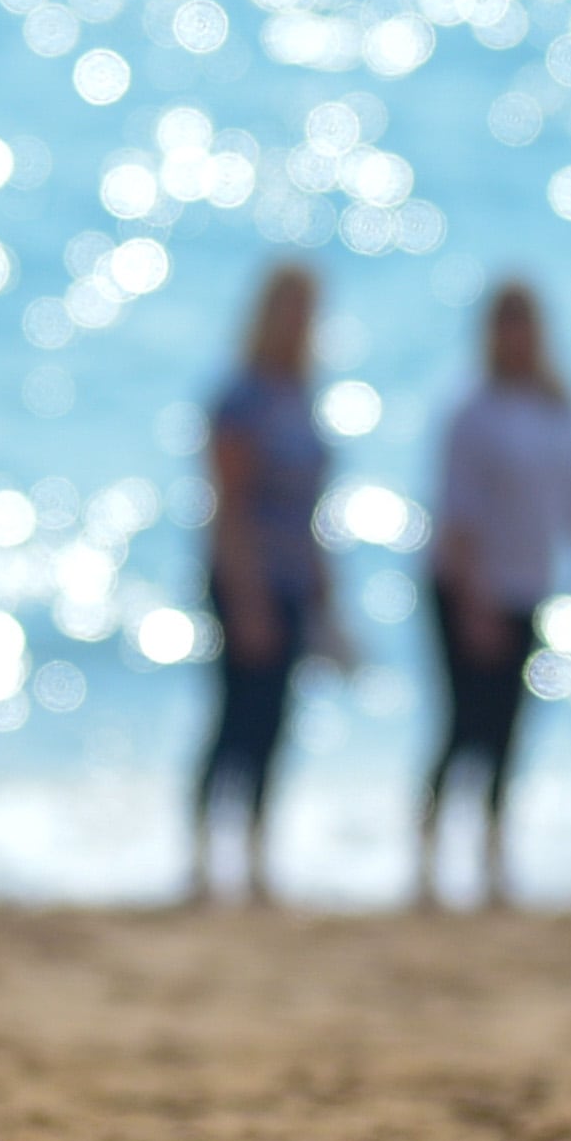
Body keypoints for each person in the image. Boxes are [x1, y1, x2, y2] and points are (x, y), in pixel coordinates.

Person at [417, 280, 571, 909]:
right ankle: (429, 858)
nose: (515, 336)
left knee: (508, 730)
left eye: (524, 322)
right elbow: (458, 516)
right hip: (466, 586)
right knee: (461, 725)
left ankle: (493, 856)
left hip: (528, 587)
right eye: (505, 322)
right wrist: (472, 603)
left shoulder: (556, 407)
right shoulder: (473, 412)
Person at [191, 263, 347, 905]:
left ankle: (254, 858)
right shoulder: (241, 397)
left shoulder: (300, 394)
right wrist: (248, 598)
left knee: (277, 723)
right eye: (288, 308)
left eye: (306, 309)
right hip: (242, 578)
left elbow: (311, 515)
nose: (297, 321)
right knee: (234, 719)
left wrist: (326, 601)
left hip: (290, 579)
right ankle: (201, 858)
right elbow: (229, 505)